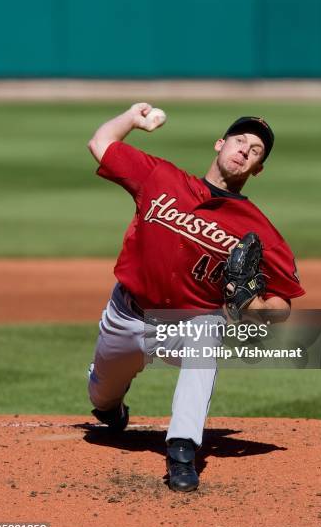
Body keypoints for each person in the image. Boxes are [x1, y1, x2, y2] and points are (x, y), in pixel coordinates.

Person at [87, 102, 305, 492]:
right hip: (126, 313)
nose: (244, 150)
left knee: (208, 331)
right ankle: (110, 407)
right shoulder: (160, 177)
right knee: (101, 396)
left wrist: (254, 306)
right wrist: (131, 120)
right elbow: (101, 142)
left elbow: (281, 308)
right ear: (220, 144)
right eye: (239, 141)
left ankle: (182, 450)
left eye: (255, 151)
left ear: (258, 169)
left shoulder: (261, 232)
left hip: (187, 324)